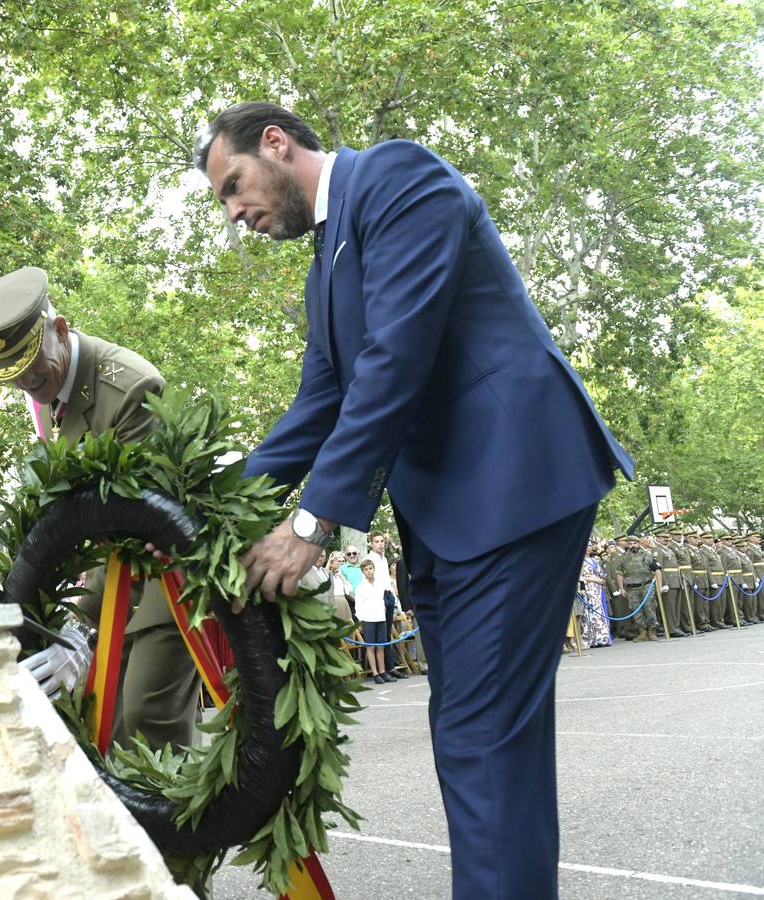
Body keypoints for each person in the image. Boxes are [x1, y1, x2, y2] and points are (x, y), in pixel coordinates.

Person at [196, 101, 633, 899]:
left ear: (276, 143)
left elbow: (395, 359)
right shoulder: (324, 265)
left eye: (233, 186)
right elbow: (320, 405)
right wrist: (207, 507)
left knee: (479, 738)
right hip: (454, 516)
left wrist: (312, 523)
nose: (234, 212)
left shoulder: (397, 177)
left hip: (513, 486)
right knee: (482, 739)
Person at [0, 265, 199, 748]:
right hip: (112, 575)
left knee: (146, 712)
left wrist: (83, 626)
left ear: (61, 330)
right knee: (102, 717)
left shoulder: (131, 388)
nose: (26, 382)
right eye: (13, 375)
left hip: (167, 570)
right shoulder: (48, 391)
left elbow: (138, 522)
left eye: (33, 366)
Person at [352, 559, 389, 683]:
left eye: (370, 568)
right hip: (368, 619)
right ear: (363, 572)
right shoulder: (360, 587)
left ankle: (382, 671)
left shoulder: (379, 584)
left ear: (374, 569)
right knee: (371, 646)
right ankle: (375, 673)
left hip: (380, 617)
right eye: (366, 569)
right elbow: (358, 606)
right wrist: (361, 622)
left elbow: (381, 600)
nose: (369, 571)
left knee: (381, 646)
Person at [577, 541, 612, 648]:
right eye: (586, 545)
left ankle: (602, 637)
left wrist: (601, 580)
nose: (588, 547)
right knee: (590, 613)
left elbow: (601, 574)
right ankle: (591, 639)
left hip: (598, 588)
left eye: (589, 545)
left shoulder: (594, 560)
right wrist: (593, 580)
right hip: (587, 588)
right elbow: (579, 576)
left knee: (599, 611)